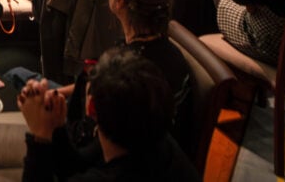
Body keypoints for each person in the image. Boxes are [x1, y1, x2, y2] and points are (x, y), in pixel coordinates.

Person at [20, 49, 198, 181]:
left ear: (91, 109)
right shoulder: (148, 134)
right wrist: (55, 127)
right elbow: (75, 167)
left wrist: (40, 136)